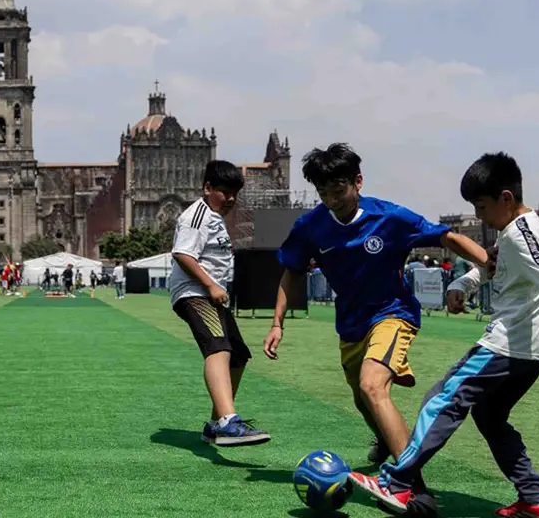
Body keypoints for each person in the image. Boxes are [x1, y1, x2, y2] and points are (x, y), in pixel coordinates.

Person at [350, 152, 539, 517]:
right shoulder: (513, 230)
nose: (479, 216)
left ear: (505, 198)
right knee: (489, 417)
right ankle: (534, 499)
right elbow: (492, 264)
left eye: (481, 206)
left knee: (443, 399)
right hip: (532, 351)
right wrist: (463, 284)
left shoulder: (524, 234)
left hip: (507, 344)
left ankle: (396, 484)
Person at [263, 143, 488, 467]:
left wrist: (489, 264)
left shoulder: (390, 217)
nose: (331, 199)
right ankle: (386, 439)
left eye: (338, 189)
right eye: (323, 192)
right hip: (351, 324)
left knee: (371, 384)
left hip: (393, 313)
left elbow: (447, 238)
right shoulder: (310, 227)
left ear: (358, 181)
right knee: (362, 398)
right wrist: (277, 323)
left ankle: (409, 482)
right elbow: (291, 273)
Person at [169, 160, 269, 446]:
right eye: (225, 192)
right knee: (218, 347)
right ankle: (228, 420)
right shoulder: (197, 216)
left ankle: (215, 425)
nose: (231, 199)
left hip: (210, 296)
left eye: (235, 193)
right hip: (194, 294)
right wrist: (211, 284)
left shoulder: (215, 218)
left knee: (237, 355)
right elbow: (183, 254)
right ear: (208, 188)